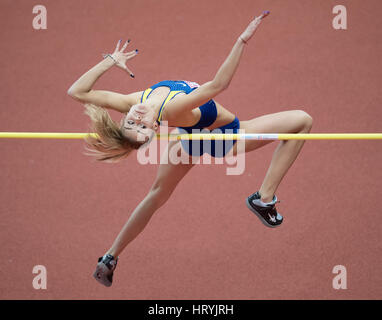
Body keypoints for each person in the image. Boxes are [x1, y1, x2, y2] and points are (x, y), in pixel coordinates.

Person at [67, 12, 313, 287]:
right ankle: (264, 197)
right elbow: (218, 85)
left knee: (156, 195)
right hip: (224, 137)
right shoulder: (169, 109)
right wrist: (241, 42)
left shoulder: (130, 101)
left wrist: (110, 61)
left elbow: (77, 92)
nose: (137, 117)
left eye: (131, 122)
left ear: (124, 117)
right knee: (302, 121)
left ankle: (109, 258)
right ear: (155, 128)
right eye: (142, 126)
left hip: (188, 139)